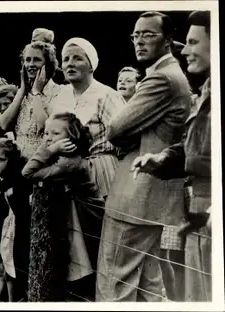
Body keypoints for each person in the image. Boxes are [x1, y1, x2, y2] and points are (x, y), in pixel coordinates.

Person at [97, 11, 191, 301]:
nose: (139, 41)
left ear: (168, 40)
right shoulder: (172, 75)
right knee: (150, 289)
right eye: (135, 35)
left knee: (115, 287)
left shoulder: (161, 78)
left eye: (148, 34)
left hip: (135, 198)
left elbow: (114, 128)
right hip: (151, 201)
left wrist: (126, 141)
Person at [131, 10, 211, 302]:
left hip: (212, 211)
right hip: (200, 214)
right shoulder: (206, 91)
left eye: (193, 42)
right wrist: (163, 158)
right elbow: (194, 144)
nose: (185, 50)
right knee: (199, 295)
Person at [22, 112, 104, 301]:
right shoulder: (61, 156)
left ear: (71, 138)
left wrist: (48, 150)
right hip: (73, 215)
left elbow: (28, 173)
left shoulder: (70, 161)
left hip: (85, 217)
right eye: (46, 133)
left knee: (83, 263)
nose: (48, 138)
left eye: (55, 134)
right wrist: (51, 148)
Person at [51, 37, 126, 199]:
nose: (70, 63)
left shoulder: (106, 95)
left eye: (78, 58)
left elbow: (124, 139)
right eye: (66, 59)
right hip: (66, 174)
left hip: (100, 172)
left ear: (91, 65)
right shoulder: (60, 95)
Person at [0, 40, 62, 160]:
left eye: (37, 60)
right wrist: (22, 90)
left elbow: (44, 127)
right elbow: (4, 124)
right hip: (20, 167)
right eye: (28, 60)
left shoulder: (59, 92)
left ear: (47, 64)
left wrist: (36, 92)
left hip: (44, 163)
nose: (31, 64)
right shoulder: (23, 94)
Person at [0, 138, 30, 302]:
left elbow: (18, 199)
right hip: (2, 228)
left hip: (14, 230)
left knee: (10, 267)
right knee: (2, 267)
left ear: (10, 161)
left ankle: (12, 301)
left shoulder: (17, 181)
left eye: (0, 160)